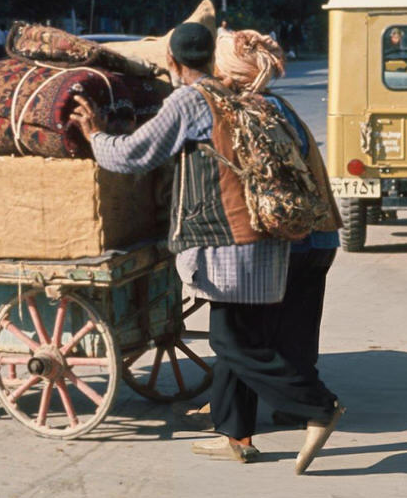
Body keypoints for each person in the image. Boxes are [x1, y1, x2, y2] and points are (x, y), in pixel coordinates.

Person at [70, 23, 345, 468]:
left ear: (174, 64)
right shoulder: (243, 96)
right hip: (267, 238)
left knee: (231, 341)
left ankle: (319, 406)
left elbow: (133, 155)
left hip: (229, 241)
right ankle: (237, 436)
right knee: (245, 335)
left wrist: (95, 135)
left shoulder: (191, 99)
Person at [214, 30, 343, 429]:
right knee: (299, 330)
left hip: (291, 240)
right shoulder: (280, 104)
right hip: (322, 233)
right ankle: (294, 408)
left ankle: (311, 405)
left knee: (251, 337)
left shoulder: (248, 112)